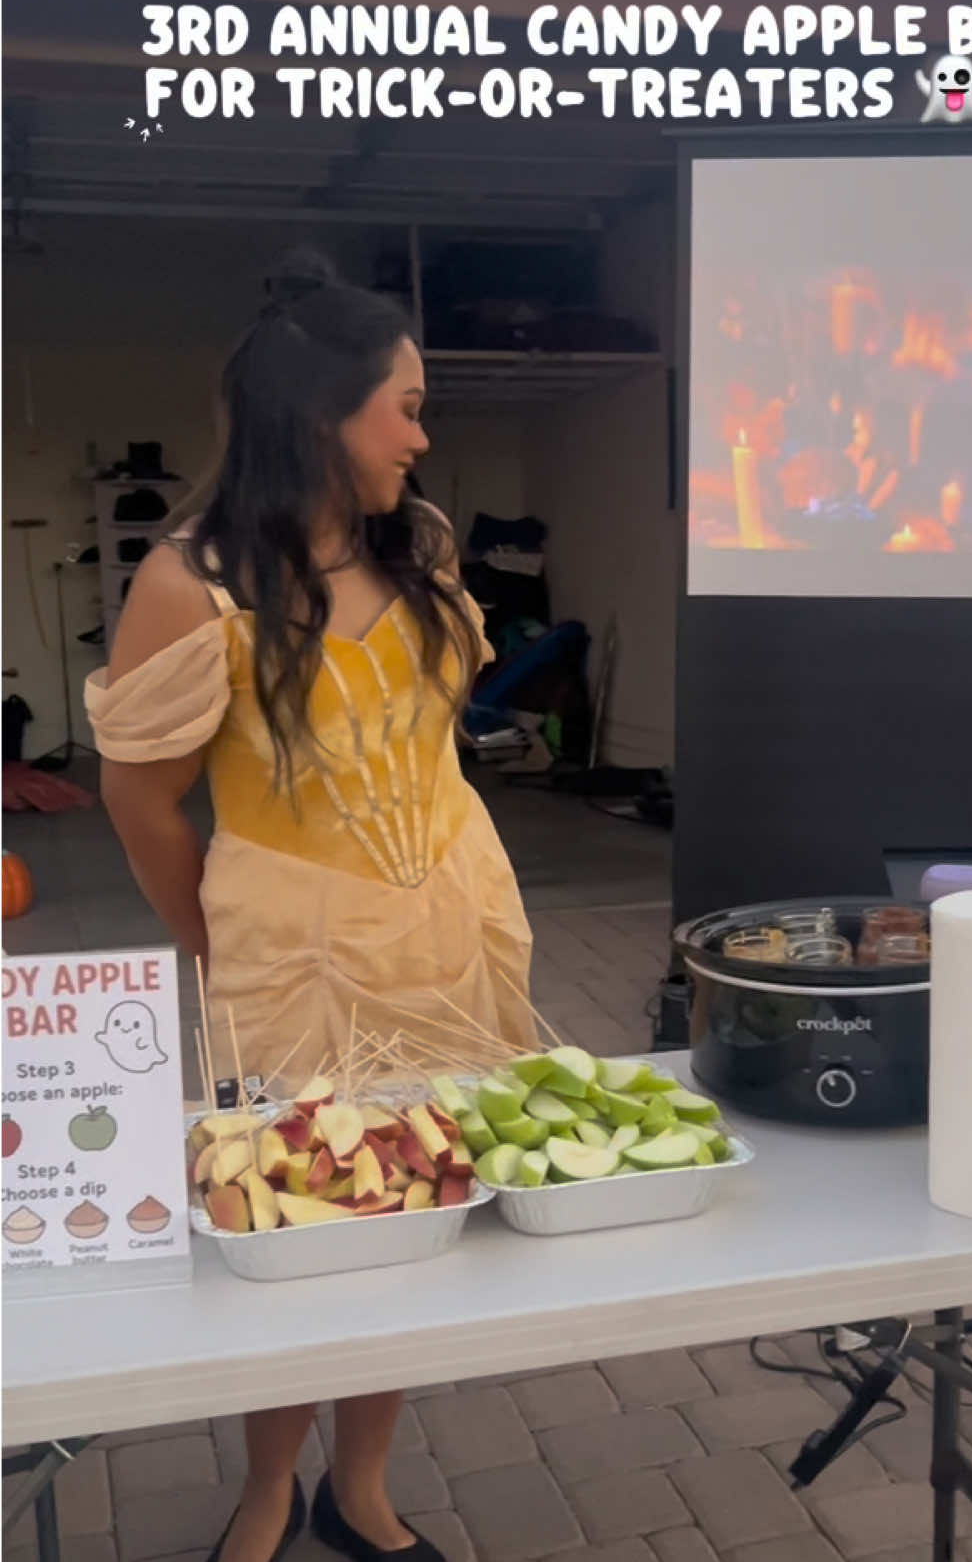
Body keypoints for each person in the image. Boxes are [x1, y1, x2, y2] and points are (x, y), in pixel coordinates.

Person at [85, 250, 537, 1562]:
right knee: (299, 1223)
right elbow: (139, 801)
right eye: (402, 403)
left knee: (414, 1219)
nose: (421, 432)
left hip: (451, 921)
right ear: (322, 414)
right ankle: (270, 1488)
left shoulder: (428, 543)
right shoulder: (193, 580)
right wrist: (213, 942)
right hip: (293, 953)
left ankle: (364, 1484)